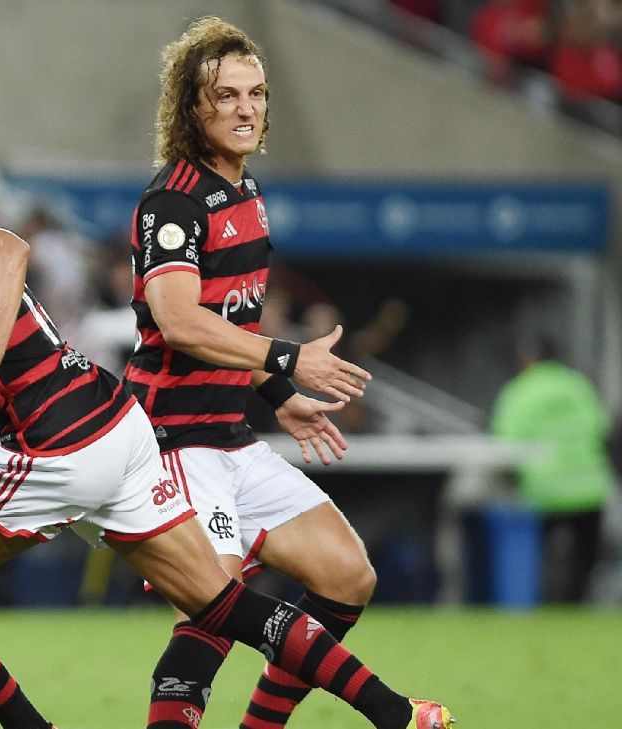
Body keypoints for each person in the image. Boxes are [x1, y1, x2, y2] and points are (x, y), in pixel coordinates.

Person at [0, 97, 453, 729]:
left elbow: (7, 252)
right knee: (222, 606)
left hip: (54, 445)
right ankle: (397, 712)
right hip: (117, 423)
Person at [122, 18, 418, 729]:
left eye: (255, 93)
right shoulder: (174, 199)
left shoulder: (247, 190)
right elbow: (178, 319)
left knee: (348, 575)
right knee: (211, 611)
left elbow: (233, 324)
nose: (246, 108)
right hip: (171, 440)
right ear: (193, 108)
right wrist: (290, 358)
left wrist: (279, 394)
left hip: (229, 435)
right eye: (226, 95)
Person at [491, 335, 614, 602]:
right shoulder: (578, 385)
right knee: (584, 560)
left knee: (535, 559)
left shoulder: (519, 391)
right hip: (589, 487)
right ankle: (577, 603)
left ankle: (539, 602)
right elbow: (602, 430)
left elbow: (506, 444)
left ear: (526, 360)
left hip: (542, 489)